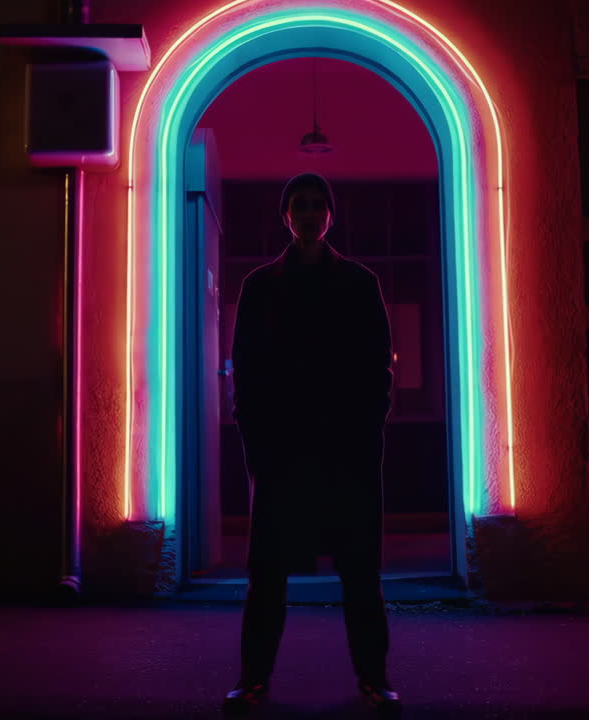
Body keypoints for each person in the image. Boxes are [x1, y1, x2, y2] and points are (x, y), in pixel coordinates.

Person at [222, 173, 400, 717]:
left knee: (359, 570)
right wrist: (258, 441)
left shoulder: (359, 283)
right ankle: (253, 679)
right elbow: (245, 371)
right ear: (286, 215)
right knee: (269, 573)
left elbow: (378, 367)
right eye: (299, 204)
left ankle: (373, 678)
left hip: (343, 450)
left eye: (316, 204)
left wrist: (366, 430)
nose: (307, 212)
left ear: (328, 216)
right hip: (286, 451)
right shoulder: (261, 286)